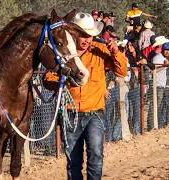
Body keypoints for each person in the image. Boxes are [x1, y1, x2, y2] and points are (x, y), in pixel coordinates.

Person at [43, 12, 127, 180]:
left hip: (95, 113)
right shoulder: (62, 54)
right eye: (83, 35)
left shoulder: (100, 51)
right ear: (73, 35)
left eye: (90, 35)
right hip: (70, 114)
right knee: (73, 161)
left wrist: (116, 52)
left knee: (95, 156)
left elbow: (121, 71)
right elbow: (48, 78)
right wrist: (62, 82)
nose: (87, 39)